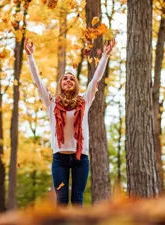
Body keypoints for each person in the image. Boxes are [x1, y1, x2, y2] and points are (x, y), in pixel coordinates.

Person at [24, 38, 115, 206]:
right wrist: (30, 56)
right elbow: (37, 81)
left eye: (71, 79)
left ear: (75, 85)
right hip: (59, 158)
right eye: (65, 79)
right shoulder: (51, 102)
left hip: (81, 158)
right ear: (60, 83)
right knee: (62, 200)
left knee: (77, 199)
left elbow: (95, 80)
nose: (68, 81)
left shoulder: (84, 101)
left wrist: (105, 56)